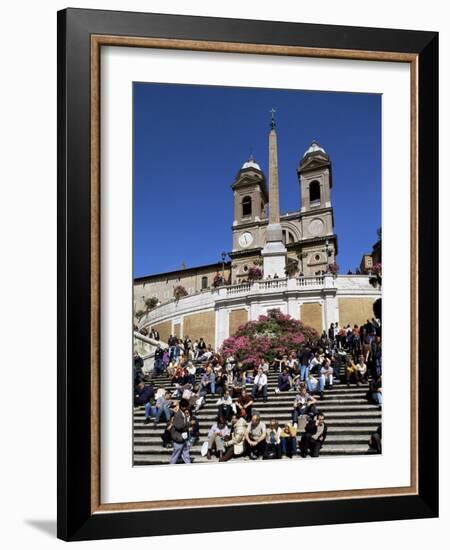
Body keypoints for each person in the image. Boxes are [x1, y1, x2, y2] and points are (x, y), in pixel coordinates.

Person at [169, 399, 192, 464]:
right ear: (182, 407)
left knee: (186, 455)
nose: (187, 408)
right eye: (185, 407)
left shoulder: (183, 413)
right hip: (178, 438)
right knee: (175, 456)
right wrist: (187, 423)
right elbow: (178, 426)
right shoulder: (178, 414)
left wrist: (187, 419)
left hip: (183, 438)